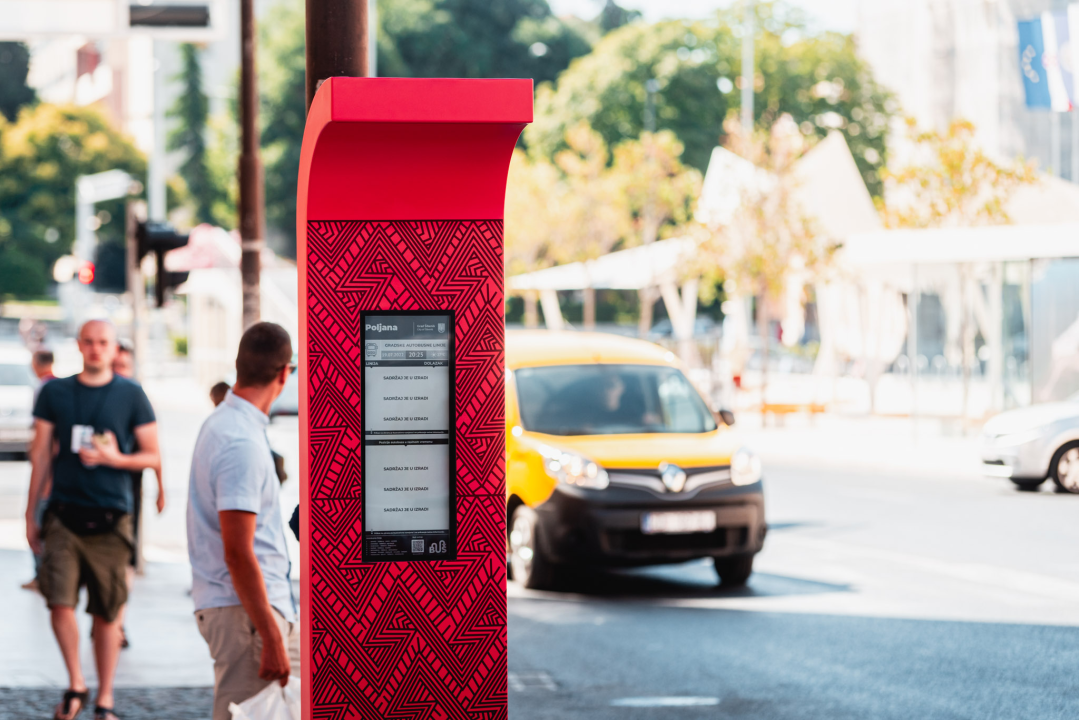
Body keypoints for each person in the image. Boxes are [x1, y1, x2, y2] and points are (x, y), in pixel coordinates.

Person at [25, 319, 161, 720]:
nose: (97, 349)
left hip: (112, 515)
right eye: (90, 342)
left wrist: (114, 459)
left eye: (104, 342)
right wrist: (30, 512)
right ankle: (76, 683)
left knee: (108, 613)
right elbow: (41, 454)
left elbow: (152, 454)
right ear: (79, 345)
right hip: (63, 514)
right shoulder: (55, 392)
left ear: (113, 347)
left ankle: (105, 699)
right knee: (59, 603)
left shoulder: (132, 394)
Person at [188, 323, 299, 720]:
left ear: (239, 366)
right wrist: (270, 634)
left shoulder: (223, 425)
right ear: (285, 373)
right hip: (247, 614)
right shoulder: (241, 443)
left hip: (244, 610)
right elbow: (238, 550)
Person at [111, 340, 165, 649]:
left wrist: (160, 486)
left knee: (126, 561)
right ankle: (108, 620)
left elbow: (155, 449)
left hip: (129, 493)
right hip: (95, 494)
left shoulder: (138, 399)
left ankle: (118, 622)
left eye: (124, 367)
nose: (120, 373)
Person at [22, 348, 56, 592]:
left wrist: (46, 475)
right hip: (52, 470)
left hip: (50, 472)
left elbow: (47, 442)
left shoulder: (46, 389)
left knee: (39, 521)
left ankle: (42, 575)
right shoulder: (56, 387)